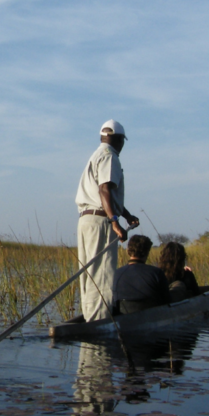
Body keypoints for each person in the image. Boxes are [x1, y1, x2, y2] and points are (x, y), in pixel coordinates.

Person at [76, 120, 139, 321]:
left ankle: (89, 318)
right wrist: (114, 221)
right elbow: (104, 189)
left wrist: (126, 214)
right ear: (119, 139)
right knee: (101, 275)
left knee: (89, 273)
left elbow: (106, 193)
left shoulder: (95, 156)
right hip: (101, 222)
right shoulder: (109, 156)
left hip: (87, 221)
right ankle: (100, 322)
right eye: (122, 141)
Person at [113, 235, 169, 314]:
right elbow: (167, 301)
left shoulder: (116, 274)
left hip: (123, 319)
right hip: (152, 317)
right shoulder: (156, 273)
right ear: (147, 252)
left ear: (128, 251)